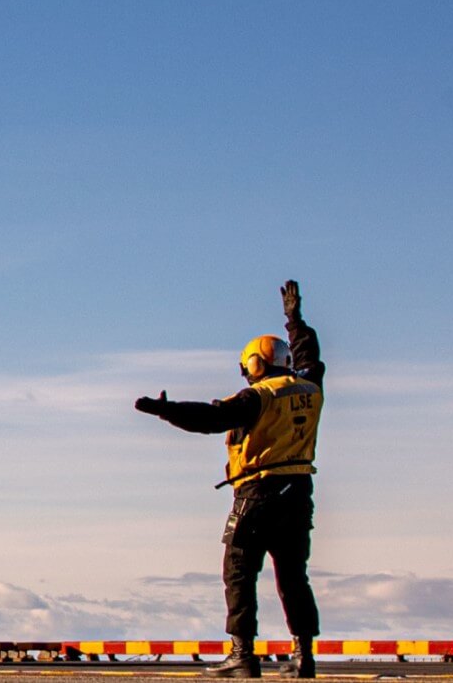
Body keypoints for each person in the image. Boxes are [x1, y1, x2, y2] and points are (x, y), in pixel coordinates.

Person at [135, 281, 324, 678]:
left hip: (257, 493)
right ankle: (303, 656)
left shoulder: (258, 397)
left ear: (254, 364)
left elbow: (211, 417)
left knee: (238, 571)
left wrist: (165, 411)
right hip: (299, 492)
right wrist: (294, 319)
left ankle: (242, 654)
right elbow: (309, 354)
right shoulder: (310, 385)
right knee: (293, 576)